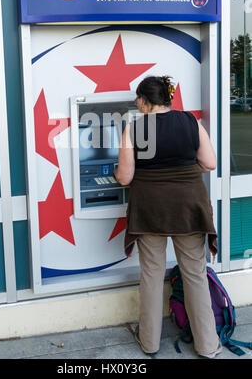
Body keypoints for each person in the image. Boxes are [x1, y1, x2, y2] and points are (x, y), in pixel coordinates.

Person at [114, 75, 222, 359]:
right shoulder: (190, 121)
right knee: (195, 275)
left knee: (151, 273)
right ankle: (208, 346)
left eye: (137, 99)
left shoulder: (134, 129)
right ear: (167, 99)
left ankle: (149, 343)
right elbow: (210, 163)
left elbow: (125, 177)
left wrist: (116, 172)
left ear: (143, 100)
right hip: (190, 208)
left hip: (151, 210)